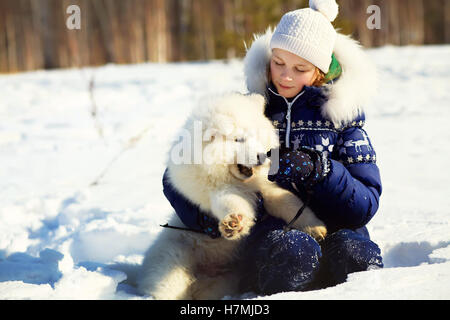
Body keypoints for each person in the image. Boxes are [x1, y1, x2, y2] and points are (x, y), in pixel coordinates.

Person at [162, 0, 383, 295]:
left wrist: (321, 171)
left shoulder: (343, 119)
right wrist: (211, 219)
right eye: (278, 63)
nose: (285, 75)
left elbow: (365, 205)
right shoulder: (247, 109)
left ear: (320, 71)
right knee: (293, 252)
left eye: (300, 68)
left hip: (339, 227)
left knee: (356, 255)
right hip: (271, 234)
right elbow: (178, 177)